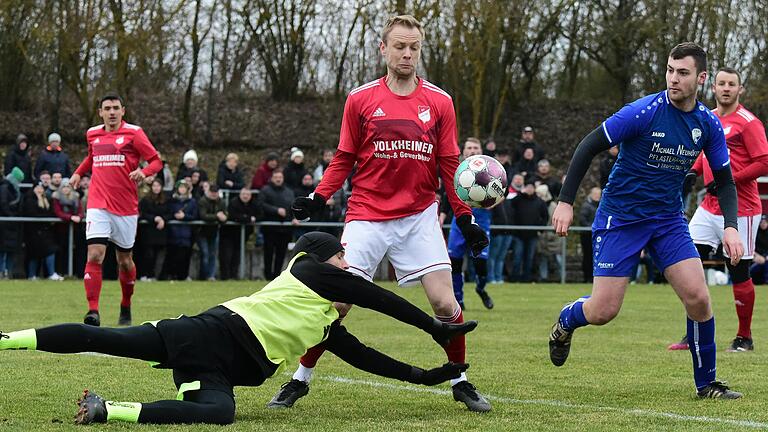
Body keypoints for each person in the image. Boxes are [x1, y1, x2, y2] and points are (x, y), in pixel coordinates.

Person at [0, 232, 475, 425]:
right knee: (101, 337)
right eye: (343, 258)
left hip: (217, 364)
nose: (349, 267)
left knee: (219, 413)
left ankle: (110, 410)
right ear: (324, 259)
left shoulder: (327, 323)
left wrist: (426, 377)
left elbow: (369, 358)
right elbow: (380, 298)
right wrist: (435, 327)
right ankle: (7, 338)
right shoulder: (310, 269)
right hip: (208, 333)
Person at [280, 14, 491, 412]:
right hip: (367, 215)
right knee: (337, 305)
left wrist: (465, 217)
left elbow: (450, 165)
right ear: (383, 49)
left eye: (414, 47)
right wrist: (319, 197)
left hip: (419, 216)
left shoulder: (440, 101)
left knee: (445, 305)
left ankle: (460, 380)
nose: (407, 54)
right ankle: (299, 380)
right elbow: (343, 157)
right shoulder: (360, 99)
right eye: (399, 46)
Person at [548, 42, 743, 399]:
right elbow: (587, 146)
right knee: (604, 310)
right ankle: (566, 319)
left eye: (682, 73)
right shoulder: (641, 112)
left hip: (667, 221)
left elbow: (725, 180)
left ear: (701, 79)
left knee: (699, 297)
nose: (673, 78)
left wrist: (731, 225)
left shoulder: (708, 124)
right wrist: (565, 202)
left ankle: (707, 384)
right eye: (670, 70)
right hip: (621, 218)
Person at [667, 67, 768, 353]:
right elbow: (705, 155)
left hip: (742, 209)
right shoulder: (707, 117)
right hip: (708, 207)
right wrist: (691, 172)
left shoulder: (749, 123)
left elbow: (764, 162)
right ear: (713, 86)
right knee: (686, 265)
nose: (726, 88)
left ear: (740, 89)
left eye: (731, 84)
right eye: (721, 83)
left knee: (738, 270)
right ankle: (694, 333)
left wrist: (729, 180)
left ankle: (744, 337)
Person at [69, 93, 163, 327]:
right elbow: (92, 157)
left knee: (125, 261)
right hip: (98, 203)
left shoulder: (134, 133)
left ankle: (126, 304)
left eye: (115, 108)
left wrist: (144, 172)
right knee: (95, 255)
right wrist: (79, 172)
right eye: (107, 108)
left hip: (125, 208)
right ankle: (93, 312)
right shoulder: (93, 134)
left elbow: (156, 161)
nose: (111, 112)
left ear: (123, 110)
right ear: (100, 112)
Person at [447, 138, 494, 310]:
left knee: (481, 263)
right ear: (463, 151)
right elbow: (448, 194)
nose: (472, 150)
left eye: (476, 147)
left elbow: (500, 192)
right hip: (459, 220)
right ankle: (458, 301)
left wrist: (489, 202)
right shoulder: (457, 170)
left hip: (481, 220)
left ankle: (481, 289)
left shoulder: (491, 170)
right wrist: (442, 215)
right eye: (469, 148)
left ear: (481, 150)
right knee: (455, 261)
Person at [257, 169, 299, 280]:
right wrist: (276, 210)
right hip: (270, 229)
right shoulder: (265, 190)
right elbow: (260, 204)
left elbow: (293, 207)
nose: (278, 179)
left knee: (281, 254)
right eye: (276, 177)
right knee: (268, 254)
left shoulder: (289, 192)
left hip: (285, 230)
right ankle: (267, 276)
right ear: (272, 178)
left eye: (280, 177)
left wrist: (294, 218)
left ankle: (277, 276)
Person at [508, 182, 549, 282]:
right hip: (518, 234)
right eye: (528, 187)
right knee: (517, 257)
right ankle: (514, 278)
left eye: (531, 188)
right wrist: (521, 193)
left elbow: (545, 216)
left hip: (532, 235)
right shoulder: (519, 199)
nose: (529, 189)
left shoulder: (539, 202)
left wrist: (540, 229)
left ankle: (526, 278)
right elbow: (510, 204)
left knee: (529, 258)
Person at [161, 180, 198, 281]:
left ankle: (183, 276)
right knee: (172, 255)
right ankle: (170, 275)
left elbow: (195, 215)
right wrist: (174, 216)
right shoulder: (171, 201)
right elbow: (167, 213)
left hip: (186, 234)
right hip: (173, 233)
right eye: (180, 187)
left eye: (184, 187)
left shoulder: (192, 202)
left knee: (185, 256)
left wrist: (184, 216)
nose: (182, 189)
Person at [23, 183, 61, 280]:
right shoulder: (29, 200)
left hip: (44, 232)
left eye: (41, 188)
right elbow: (32, 214)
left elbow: (50, 212)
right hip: (33, 232)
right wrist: (46, 218)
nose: (40, 190)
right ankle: (32, 275)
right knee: (34, 254)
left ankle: (50, 273)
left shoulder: (46, 200)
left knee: (49, 251)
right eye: (38, 188)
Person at [221, 188, 260, 280]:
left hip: (243, 235)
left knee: (237, 255)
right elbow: (233, 216)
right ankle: (225, 277)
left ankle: (234, 276)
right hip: (229, 234)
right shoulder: (234, 203)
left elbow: (260, 215)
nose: (245, 196)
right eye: (243, 194)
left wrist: (247, 218)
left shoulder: (254, 203)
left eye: (247, 194)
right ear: (240, 195)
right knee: (226, 255)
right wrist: (249, 218)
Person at [137, 179, 171, 281]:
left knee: (158, 255)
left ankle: (154, 275)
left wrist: (163, 219)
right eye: (154, 186)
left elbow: (170, 213)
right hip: (148, 231)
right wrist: (154, 218)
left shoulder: (166, 200)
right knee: (147, 254)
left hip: (160, 232)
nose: (156, 188)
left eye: (158, 186)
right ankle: (144, 274)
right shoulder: (146, 200)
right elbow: (142, 213)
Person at [197, 184, 227, 281]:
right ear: (209, 192)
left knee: (213, 254)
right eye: (212, 193)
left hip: (214, 231)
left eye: (216, 193)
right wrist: (217, 216)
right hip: (202, 231)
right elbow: (203, 216)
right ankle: (203, 275)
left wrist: (224, 218)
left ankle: (211, 276)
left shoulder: (222, 202)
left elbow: (225, 214)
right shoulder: (203, 201)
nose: (214, 195)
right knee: (205, 253)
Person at [0, 167, 24, 278]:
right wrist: (11, 216)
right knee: (3, 250)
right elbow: (3, 204)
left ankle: (7, 272)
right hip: (5, 223)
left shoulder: (10, 188)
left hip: (10, 223)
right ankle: (3, 271)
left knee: (9, 249)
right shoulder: (5, 188)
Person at [578, 187, 601, 283]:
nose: (597, 196)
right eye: (595, 194)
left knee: (597, 257)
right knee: (588, 257)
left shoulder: (601, 205)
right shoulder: (586, 206)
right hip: (587, 236)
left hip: (598, 235)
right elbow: (582, 220)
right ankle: (587, 277)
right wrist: (593, 228)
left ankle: (594, 278)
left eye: (599, 194)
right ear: (591, 194)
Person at [750, 216, 768, 284]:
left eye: (765, 222)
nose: (763, 224)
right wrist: (756, 255)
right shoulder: (755, 233)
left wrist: (765, 257)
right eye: (761, 222)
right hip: (756, 257)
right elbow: (751, 246)